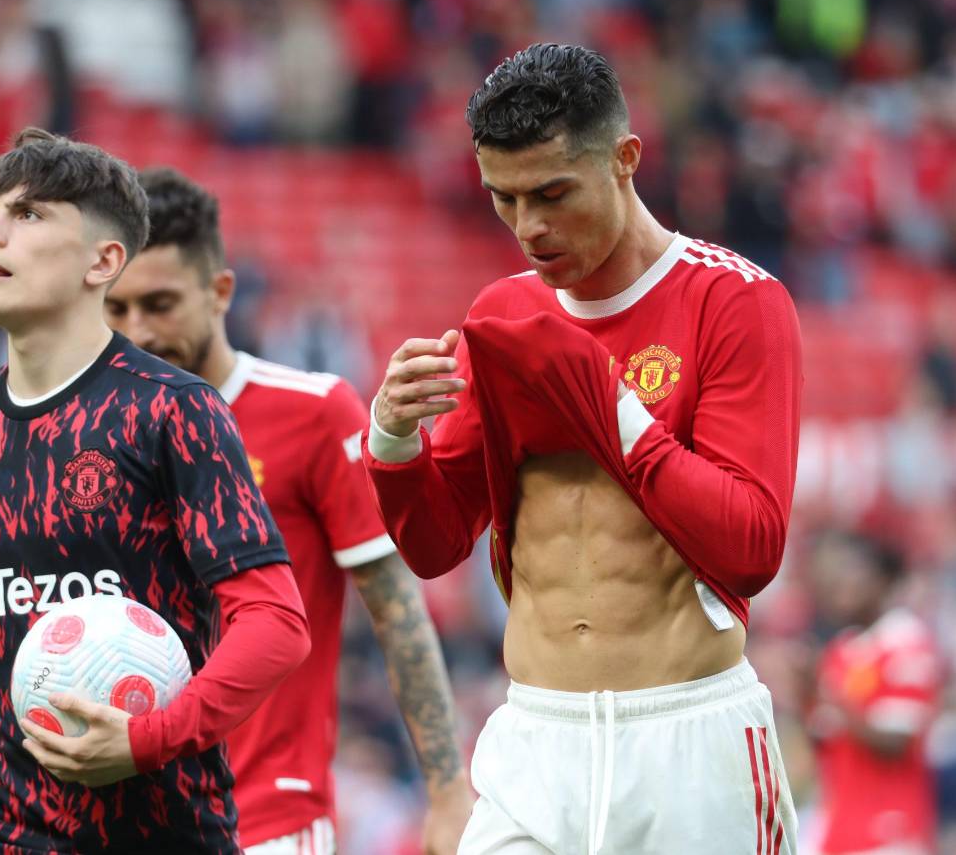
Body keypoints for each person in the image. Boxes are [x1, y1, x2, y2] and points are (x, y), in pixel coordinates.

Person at [0, 166, 473, 854]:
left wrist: (446, 790)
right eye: (122, 309)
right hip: (38, 818)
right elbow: (52, 590)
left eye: (160, 304)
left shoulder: (274, 413)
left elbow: (386, 610)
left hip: (248, 806)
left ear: (218, 293)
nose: (139, 327)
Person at [363, 43, 804, 854]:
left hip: (687, 738)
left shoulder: (735, 300)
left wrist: (609, 408)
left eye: (552, 193)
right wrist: (391, 438)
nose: (528, 227)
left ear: (625, 159)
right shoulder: (502, 315)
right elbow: (433, 545)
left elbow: (750, 549)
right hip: (536, 741)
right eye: (503, 198)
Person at [0, 128, 310, 853]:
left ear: (104, 261)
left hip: (159, 833)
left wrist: (146, 740)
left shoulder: (173, 411)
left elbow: (276, 625)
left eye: (28, 214)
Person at [807, 532, 942, 855]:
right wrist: (804, 695)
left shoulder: (906, 643)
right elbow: (826, 742)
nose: (842, 581)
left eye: (852, 570)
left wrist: (836, 701)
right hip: (840, 831)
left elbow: (896, 742)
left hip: (890, 831)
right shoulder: (841, 650)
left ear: (884, 579)